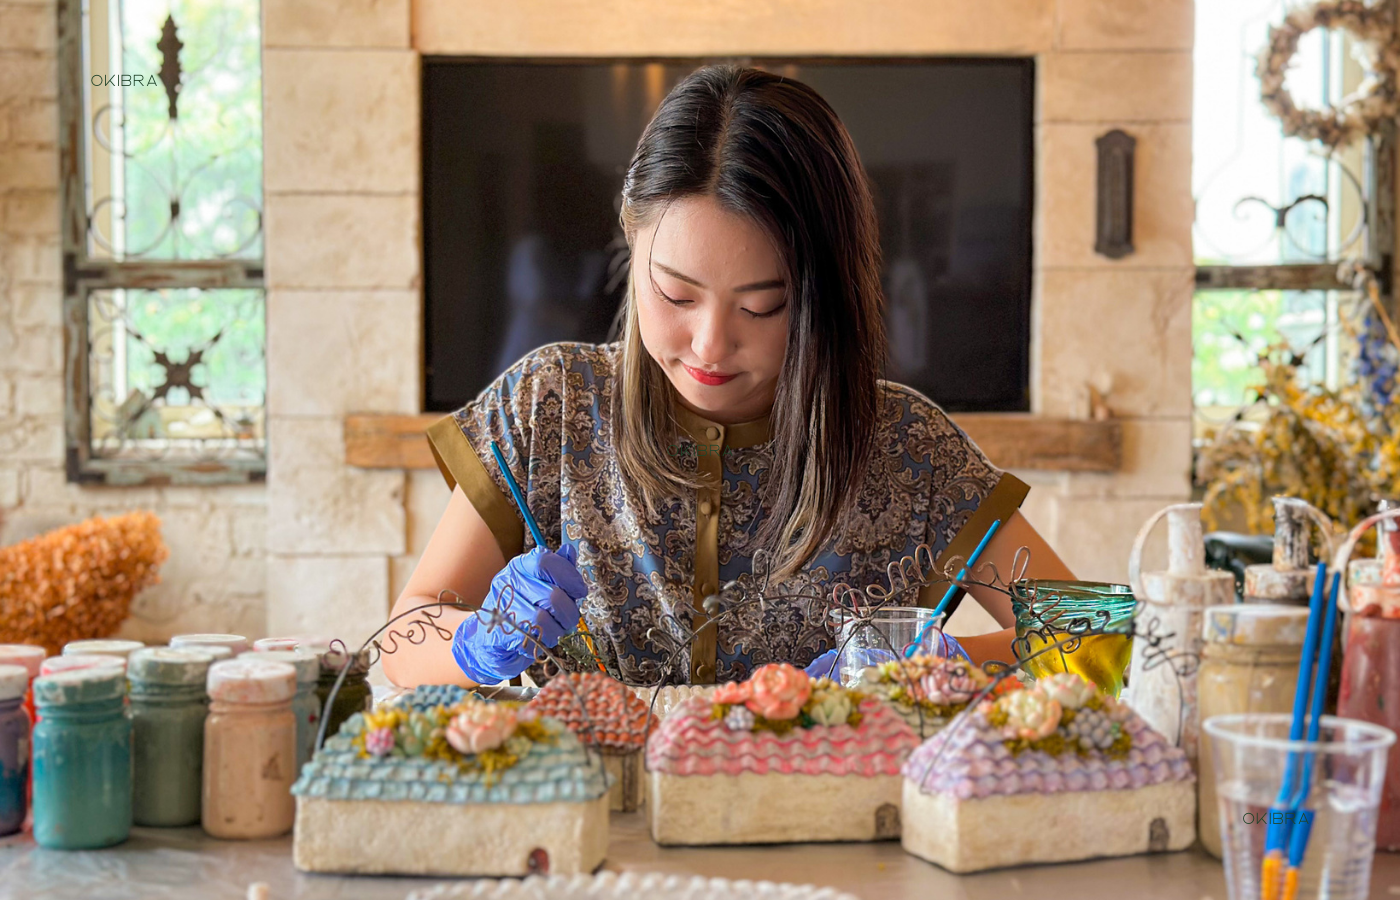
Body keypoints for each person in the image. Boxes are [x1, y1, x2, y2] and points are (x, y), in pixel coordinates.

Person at [382, 64, 1075, 690]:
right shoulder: (549, 405)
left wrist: (944, 668)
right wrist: (471, 643)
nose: (710, 344)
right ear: (631, 238)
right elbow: (398, 643)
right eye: (677, 296)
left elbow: (1095, 636)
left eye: (762, 305)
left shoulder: (906, 445)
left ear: (822, 294)